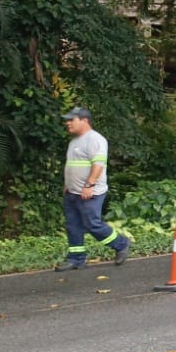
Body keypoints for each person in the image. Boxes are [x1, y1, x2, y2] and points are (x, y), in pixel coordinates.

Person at [57, 107, 130, 270]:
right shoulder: (75, 141)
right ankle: (76, 259)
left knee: (92, 224)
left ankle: (121, 244)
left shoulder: (95, 140)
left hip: (90, 192)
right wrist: (67, 186)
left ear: (84, 121)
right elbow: (72, 166)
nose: (67, 123)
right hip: (72, 192)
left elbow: (98, 165)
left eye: (71, 120)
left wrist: (89, 185)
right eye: (67, 120)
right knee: (73, 225)